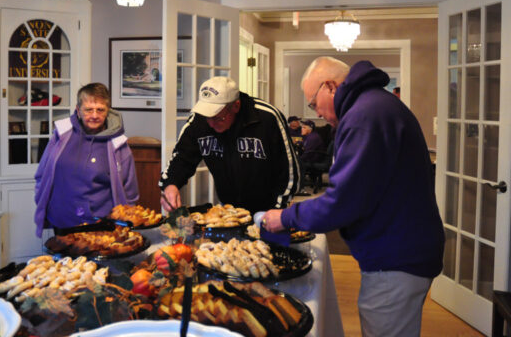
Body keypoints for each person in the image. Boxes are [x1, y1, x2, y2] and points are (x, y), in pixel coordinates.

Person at [262, 57, 444, 337]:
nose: (317, 113)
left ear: (330, 86)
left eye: (313, 103)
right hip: (403, 248)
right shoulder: (373, 105)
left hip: (395, 256)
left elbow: (342, 201)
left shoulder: (364, 116)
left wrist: (286, 217)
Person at [159, 76, 301, 213]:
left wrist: (278, 208)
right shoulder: (199, 120)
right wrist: (171, 184)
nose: (211, 123)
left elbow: (289, 171)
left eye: (218, 117)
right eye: (208, 117)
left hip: (268, 208)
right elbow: (182, 158)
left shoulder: (267, 118)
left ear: (236, 106)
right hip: (228, 209)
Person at [33, 83, 139, 237]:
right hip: (62, 221)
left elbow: (130, 191)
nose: (94, 115)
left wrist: (124, 223)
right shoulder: (61, 134)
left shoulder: (118, 143)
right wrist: (42, 203)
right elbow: (42, 174)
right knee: (65, 261)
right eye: (88, 109)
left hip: (100, 224)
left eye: (100, 110)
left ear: (108, 111)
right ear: (78, 110)